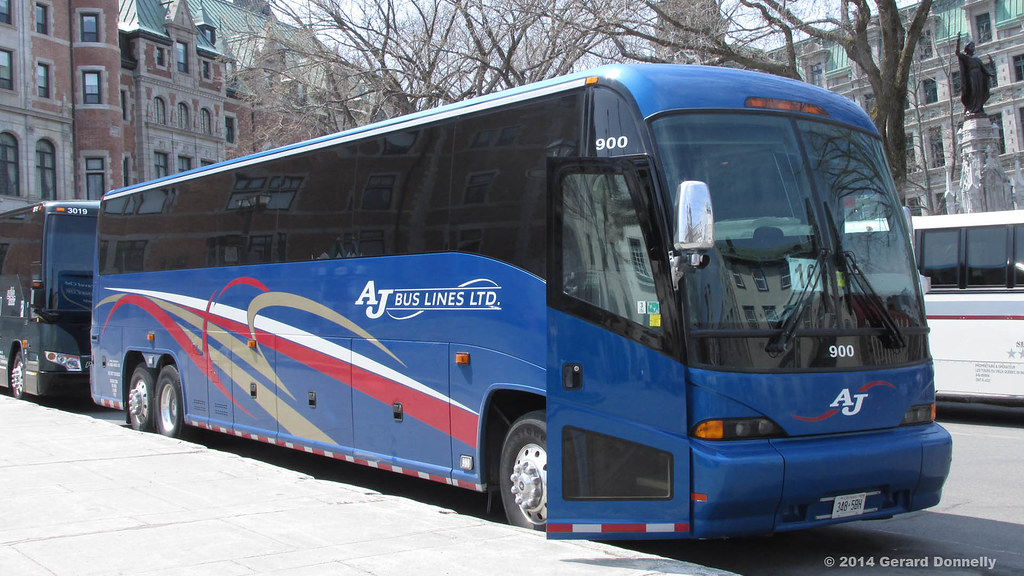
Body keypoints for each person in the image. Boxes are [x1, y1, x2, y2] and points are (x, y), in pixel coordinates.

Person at [956, 34, 995, 116]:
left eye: (973, 46)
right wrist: (958, 41)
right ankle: (972, 108)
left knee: (979, 91)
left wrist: (991, 73)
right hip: (972, 76)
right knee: (973, 91)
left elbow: (984, 69)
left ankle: (979, 108)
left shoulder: (977, 58)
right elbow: (957, 53)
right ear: (967, 48)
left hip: (979, 76)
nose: (973, 48)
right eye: (971, 46)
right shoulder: (965, 58)